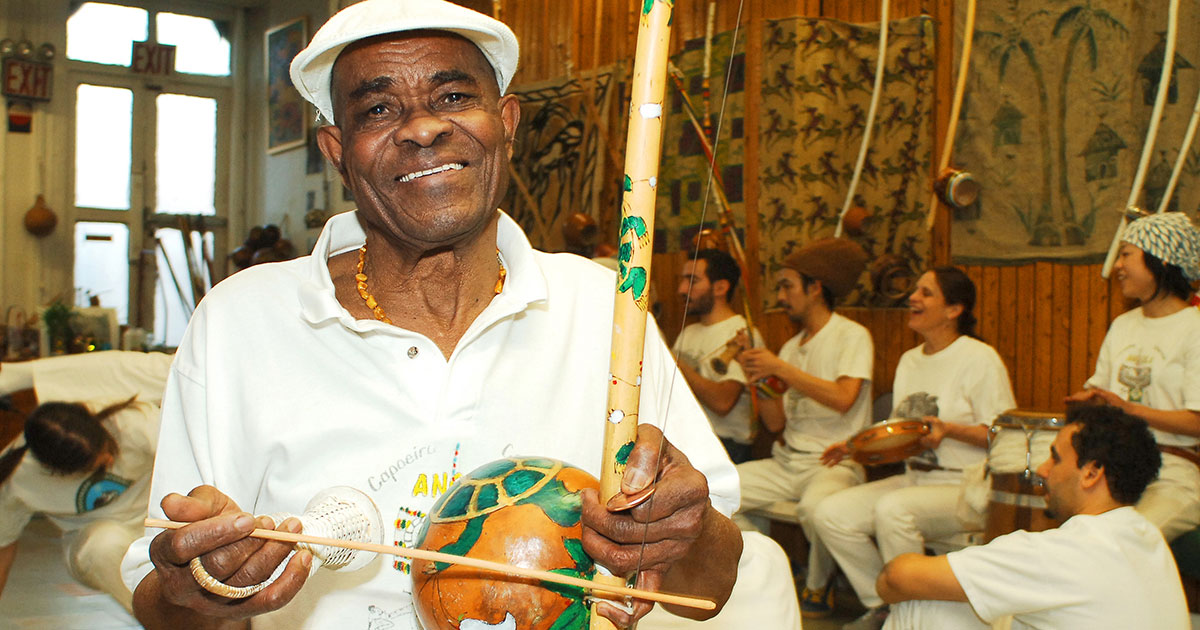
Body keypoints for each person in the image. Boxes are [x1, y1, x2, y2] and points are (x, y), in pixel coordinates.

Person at [119, 2, 742, 629]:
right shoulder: (241, 321)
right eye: (378, 109)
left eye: (451, 96)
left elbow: (710, 589)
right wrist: (193, 586)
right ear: (337, 151)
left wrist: (687, 531)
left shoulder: (605, 307)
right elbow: (163, 606)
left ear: (505, 121)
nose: (422, 128)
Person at [813, 267, 1015, 630]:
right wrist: (855, 445)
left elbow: (1003, 435)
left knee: (894, 510)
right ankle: (888, 606)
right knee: (830, 514)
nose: (913, 298)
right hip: (914, 479)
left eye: (925, 292)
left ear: (954, 310)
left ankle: (914, 617)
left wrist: (949, 430)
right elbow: (898, 429)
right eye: (915, 291)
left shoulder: (980, 358)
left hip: (965, 486)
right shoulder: (910, 359)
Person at [875, 405, 1188, 630]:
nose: (1042, 470)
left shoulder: (1061, 552)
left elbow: (894, 578)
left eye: (1055, 457)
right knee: (991, 608)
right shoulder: (1148, 535)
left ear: (1091, 473)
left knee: (923, 602)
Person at [732, 237, 874, 618]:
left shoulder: (851, 336)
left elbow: (845, 398)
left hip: (835, 463)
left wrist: (780, 369)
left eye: (787, 286)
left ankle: (818, 584)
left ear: (815, 288)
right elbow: (776, 423)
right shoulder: (792, 347)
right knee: (721, 493)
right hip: (787, 461)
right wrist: (760, 381)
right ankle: (770, 566)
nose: (781, 295)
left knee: (816, 508)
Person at [0, 350, 173, 611]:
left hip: (157, 518)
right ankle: (161, 621)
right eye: (97, 465)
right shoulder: (18, 478)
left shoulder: (128, 420)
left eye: (106, 451)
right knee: (103, 546)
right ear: (57, 472)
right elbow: (3, 547)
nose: (108, 461)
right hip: (93, 539)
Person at [1066, 211, 1200, 542]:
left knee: (1128, 541)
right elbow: (1107, 393)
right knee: (1076, 538)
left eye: (1126, 254)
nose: (1117, 266)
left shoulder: (1193, 327)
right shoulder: (1123, 325)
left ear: (1161, 261)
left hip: (1173, 473)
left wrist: (1130, 409)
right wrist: (1094, 401)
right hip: (1113, 467)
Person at [673, 248, 765, 464]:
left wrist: (676, 363)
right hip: (689, 441)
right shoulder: (689, 332)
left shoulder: (741, 332)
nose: (681, 289)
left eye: (692, 281)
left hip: (725, 447)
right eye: (683, 280)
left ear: (721, 287)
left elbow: (723, 403)